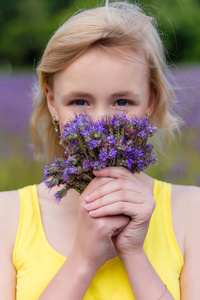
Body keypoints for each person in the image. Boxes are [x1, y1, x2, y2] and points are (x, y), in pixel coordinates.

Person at [1, 1, 200, 299]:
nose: (99, 124)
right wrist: (84, 258)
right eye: (79, 102)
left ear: (150, 102)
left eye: (122, 102)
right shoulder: (7, 216)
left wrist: (134, 254)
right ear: (53, 102)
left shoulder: (191, 211)